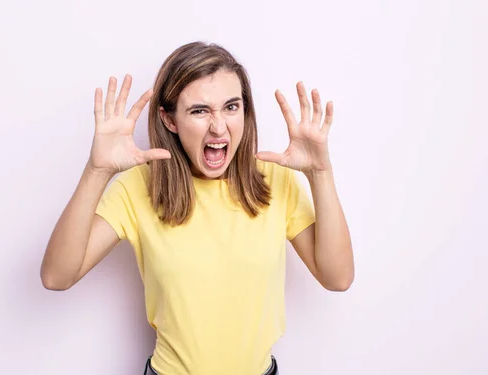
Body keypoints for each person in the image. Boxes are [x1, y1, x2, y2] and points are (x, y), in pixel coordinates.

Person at [40, 41, 354, 375]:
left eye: (231, 107)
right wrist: (97, 171)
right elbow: (56, 276)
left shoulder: (276, 181)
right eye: (199, 111)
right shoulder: (138, 188)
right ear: (169, 119)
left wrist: (321, 174)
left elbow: (338, 278)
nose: (219, 127)